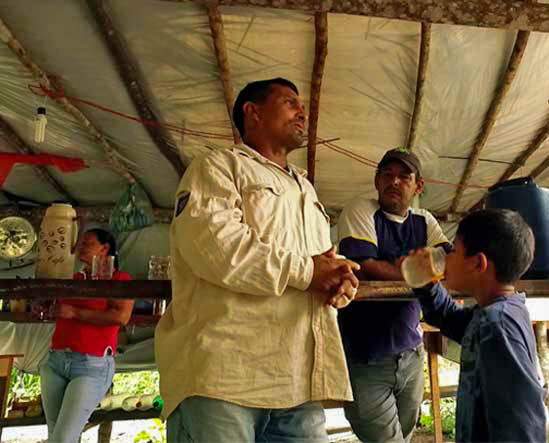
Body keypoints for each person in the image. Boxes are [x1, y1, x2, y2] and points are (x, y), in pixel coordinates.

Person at [155, 78, 359, 443]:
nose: (303, 113)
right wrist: (310, 271)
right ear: (253, 112)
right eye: (289, 102)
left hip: (298, 377)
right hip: (225, 375)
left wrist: (338, 278)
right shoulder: (217, 166)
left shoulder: (306, 188)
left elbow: (316, 261)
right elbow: (217, 249)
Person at [336, 148, 450, 442]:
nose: (394, 182)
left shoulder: (425, 221)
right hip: (366, 357)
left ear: (418, 186)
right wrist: (419, 270)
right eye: (387, 175)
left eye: (404, 176)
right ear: (376, 180)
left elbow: (448, 264)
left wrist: (407, 268)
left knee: (406, 434)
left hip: (411, 352)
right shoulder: (360, 209)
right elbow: (364, 267)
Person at [411, 209, 546, 442]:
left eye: (453, 250)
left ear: (478, 263)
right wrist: (426, 281)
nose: (447, 258)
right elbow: (447, 317)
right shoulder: (492, 315)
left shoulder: (499, 326)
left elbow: (522, 420)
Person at [40, 228, 133, 443]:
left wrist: (74, 312)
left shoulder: (120, 279)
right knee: (55, 435)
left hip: (91, 366)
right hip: (56, 360)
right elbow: (58, 310)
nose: (80, 246)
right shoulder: (73, 278)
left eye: (87, 243)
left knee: (63, 438)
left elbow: (121, 317)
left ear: (105, 248)